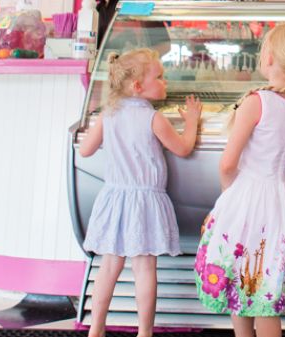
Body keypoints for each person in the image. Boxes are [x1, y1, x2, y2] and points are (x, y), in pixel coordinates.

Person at [195, 22, 285, 337]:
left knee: (238, 279)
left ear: (271, 57)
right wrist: (275, 157)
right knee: (263, 285)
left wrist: (227, 198)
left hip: (244, 197)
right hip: (277, 201)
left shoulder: (256, 101)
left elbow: (227, 163)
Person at [79, 48, 203, 337]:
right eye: (159, 77)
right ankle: (144, 332)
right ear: (137, 86)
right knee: (145, 269)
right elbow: (183, 148)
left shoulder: (108, 115)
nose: (165, 82)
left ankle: (96, 328)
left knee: (109, 266)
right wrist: (192, 121)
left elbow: (84, 150)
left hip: (114, 198)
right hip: (146, 201)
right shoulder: (154, 119)